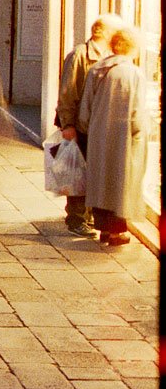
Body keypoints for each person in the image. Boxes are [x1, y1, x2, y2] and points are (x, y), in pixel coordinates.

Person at [77, 25, 151, 248]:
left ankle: (105, 229)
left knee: (101, 180)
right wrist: (141, 135)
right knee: (121, 182)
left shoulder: (97, 69)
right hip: (123, 138)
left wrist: (89, 130)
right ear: (133, 48)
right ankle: (118, 232)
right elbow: (138, 113)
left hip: (99, 134)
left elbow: (84, 110)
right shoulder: (134, 73)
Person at [54, 16, 117, 237]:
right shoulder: (80, 55)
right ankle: (76, 219)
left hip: (95, 123)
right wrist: (67, 124)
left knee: (91, 171)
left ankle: (87, 216)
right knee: (77, 172)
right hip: (79, 123)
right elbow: (67, 92)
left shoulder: (109, 57)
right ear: (105, 33)